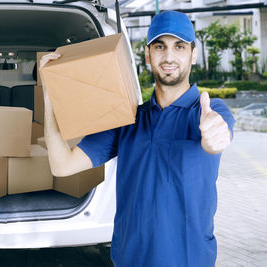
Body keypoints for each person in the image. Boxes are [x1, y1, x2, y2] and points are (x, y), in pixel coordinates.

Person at [39, 10, 235, 267]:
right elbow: (61, 165)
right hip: (128, 259)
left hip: (189, 259)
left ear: (193, 54)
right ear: (147, 54)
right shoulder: (127, 119)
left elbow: (219, 134)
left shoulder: (209, 112)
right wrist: (49, 95)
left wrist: (215, 137)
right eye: (159, 46)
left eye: (179, 46)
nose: (169, 56)